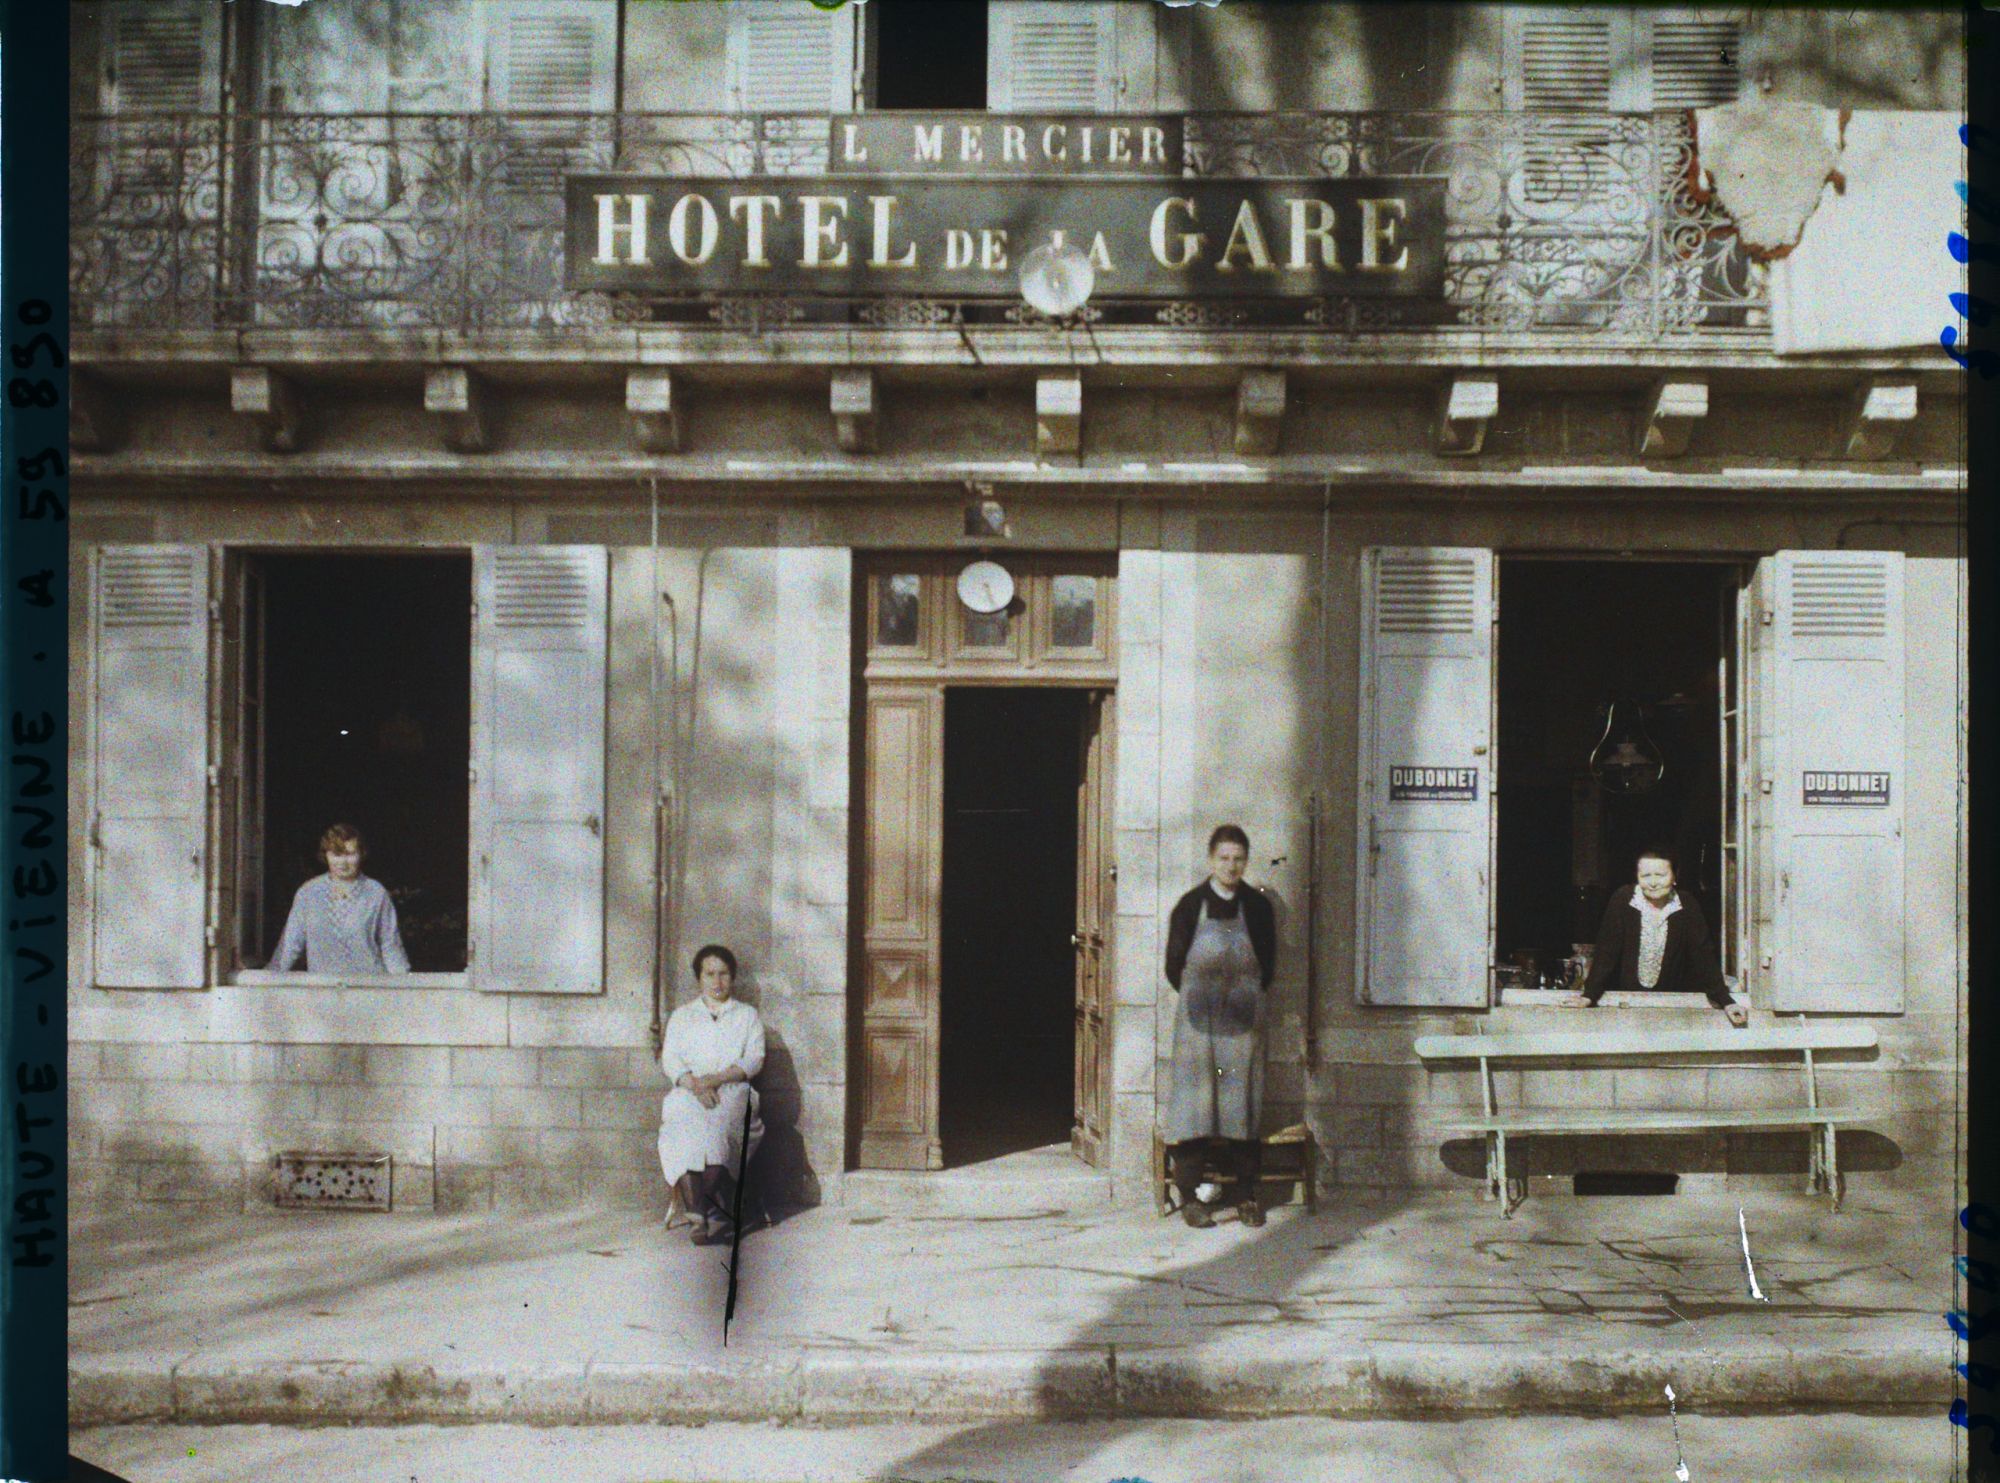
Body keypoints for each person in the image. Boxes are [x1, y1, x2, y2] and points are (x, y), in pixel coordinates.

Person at [1163, 824, 1278, 1228]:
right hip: (1197, 1027)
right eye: (1224, 858)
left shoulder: (1259, 908)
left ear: (1246, 862)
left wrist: (1239, 1000)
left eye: (1238, 859)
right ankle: (1192, 1198)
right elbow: (1173, 966)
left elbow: (1268, 966)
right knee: (1195, 1111)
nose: (1231, 866)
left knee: (1241, 1110)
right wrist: (1205, 1001)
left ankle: (1246, 1196)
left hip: (1244, 1026)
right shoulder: (1189, 905)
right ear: (1211, 861)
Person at [658, 944, 766, 1247]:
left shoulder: (747, 1016)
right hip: (689, 1090)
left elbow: (754, 1059)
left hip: (732, 1088)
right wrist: (695, 1086)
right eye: (710, 975)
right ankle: (699, 1218)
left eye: (724, 974)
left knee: (721, 1126)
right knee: (682, 1125)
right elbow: (671, 1060)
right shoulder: (683, 1016)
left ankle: (698, 1209)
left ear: (732, 978)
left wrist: (716, 1080)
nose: (717, 982)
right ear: (699, 979)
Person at [1569, 847, 1749, 1026]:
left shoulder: (1686, 905)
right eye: (1646, 876)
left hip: (1670, 1005)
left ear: (1674, 876)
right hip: (1625, 1004)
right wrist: (1589, 996)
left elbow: (1703, 956)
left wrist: (1727, 1001)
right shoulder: (1623, 900)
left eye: (1660, 875)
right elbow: (1607, 952)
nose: (1653, 883)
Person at [270, 824, 410, 975]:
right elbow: (290, 945)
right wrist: (267, 980)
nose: (343, 862)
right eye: (337, 854)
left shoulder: (376, 893)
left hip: (368, 989)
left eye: (350, 854)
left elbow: (390, 944)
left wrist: (402, 984)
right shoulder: (308, 893)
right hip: (323, 989)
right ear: (326, 855)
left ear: (361, 854)